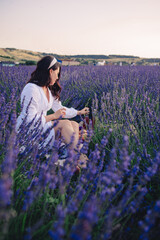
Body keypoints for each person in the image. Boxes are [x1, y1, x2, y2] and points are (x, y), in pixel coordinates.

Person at [16, 55, 89, 165]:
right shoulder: (31, 89)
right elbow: (29, 120)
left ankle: (66, 153)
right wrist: (53, 116)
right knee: (64, 124)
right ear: (51, 71)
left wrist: (78, 112)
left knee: (73, 123)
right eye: (57, 73)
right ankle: (77, 156)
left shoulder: (47, 88)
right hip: (28, 132)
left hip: (41, 127)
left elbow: (60, 109)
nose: (57, 77)